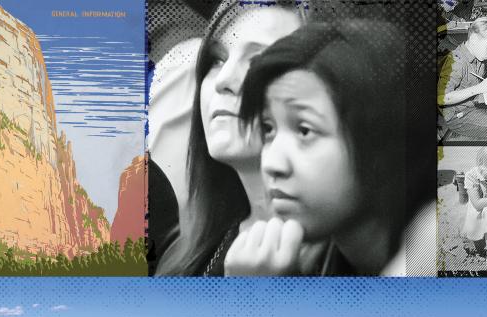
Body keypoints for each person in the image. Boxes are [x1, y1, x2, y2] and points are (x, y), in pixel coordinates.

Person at [224, 19, 432, 275]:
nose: (271, 164)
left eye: (304, 130)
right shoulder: (305, 261)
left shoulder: (440, 247)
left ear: (382, 139)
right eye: (268, 129)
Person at [154, 1, 303, 275]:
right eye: (217, 59)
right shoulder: (183, 255)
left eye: (258, 60)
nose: (224, 78)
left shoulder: (352, 260)